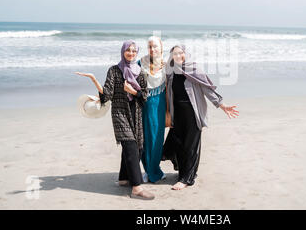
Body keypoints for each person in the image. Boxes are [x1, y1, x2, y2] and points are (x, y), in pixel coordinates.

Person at [75, 40, 155, 200]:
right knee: (131, 146)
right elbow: (107, 95)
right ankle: (137, 188)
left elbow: (144, 96)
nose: (131, 53)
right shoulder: (114, 70)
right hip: (120, 113)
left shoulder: (141, 72)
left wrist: (132, 91)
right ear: (123, 51)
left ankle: (124, 178)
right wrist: (94, 80)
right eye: (128, 50)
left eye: (133, 51)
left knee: (137, 147)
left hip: (136, 114)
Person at [162, 44, 239, 190]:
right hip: (177, 114)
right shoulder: (170, 71)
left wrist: (222, 105)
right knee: (178, 144)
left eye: (180, 53)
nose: (178, 56)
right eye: (174, 54)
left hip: (192, 113)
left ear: (186, 53)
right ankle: (184, 174)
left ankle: (186, 179)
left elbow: (207, 89)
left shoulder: (195, 69)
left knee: (190, 146)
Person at [137, 36, 168, 183]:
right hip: (143, 104)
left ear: (161, 47)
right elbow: (127, 79)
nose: (152, 49)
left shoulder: (167, 65)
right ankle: (147, 170)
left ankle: (154, 170)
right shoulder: (140, 63)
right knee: (144, 138)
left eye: (155, 46)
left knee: (156, 138)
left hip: (160, 105)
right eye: (149, 46)